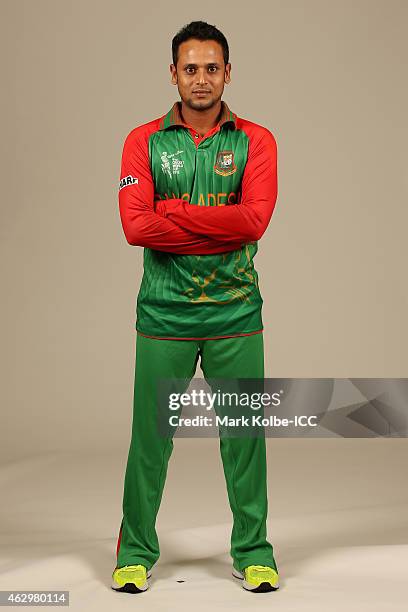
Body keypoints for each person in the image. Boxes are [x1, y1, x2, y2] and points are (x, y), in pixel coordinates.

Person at [111, 20, 280, 594]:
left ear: (228, 73)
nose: (201, 79)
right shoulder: (142, 141)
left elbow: (254, 221)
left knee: (245, 436)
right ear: (173, 74)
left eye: (212, 68)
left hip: (236, 311)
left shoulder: (257, 140)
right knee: (149, 440)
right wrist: (218, 227)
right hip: (164, 313)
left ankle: (255, 551)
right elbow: (136, 226)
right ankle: (133, 553)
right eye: (190, 68)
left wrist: (175, 212)